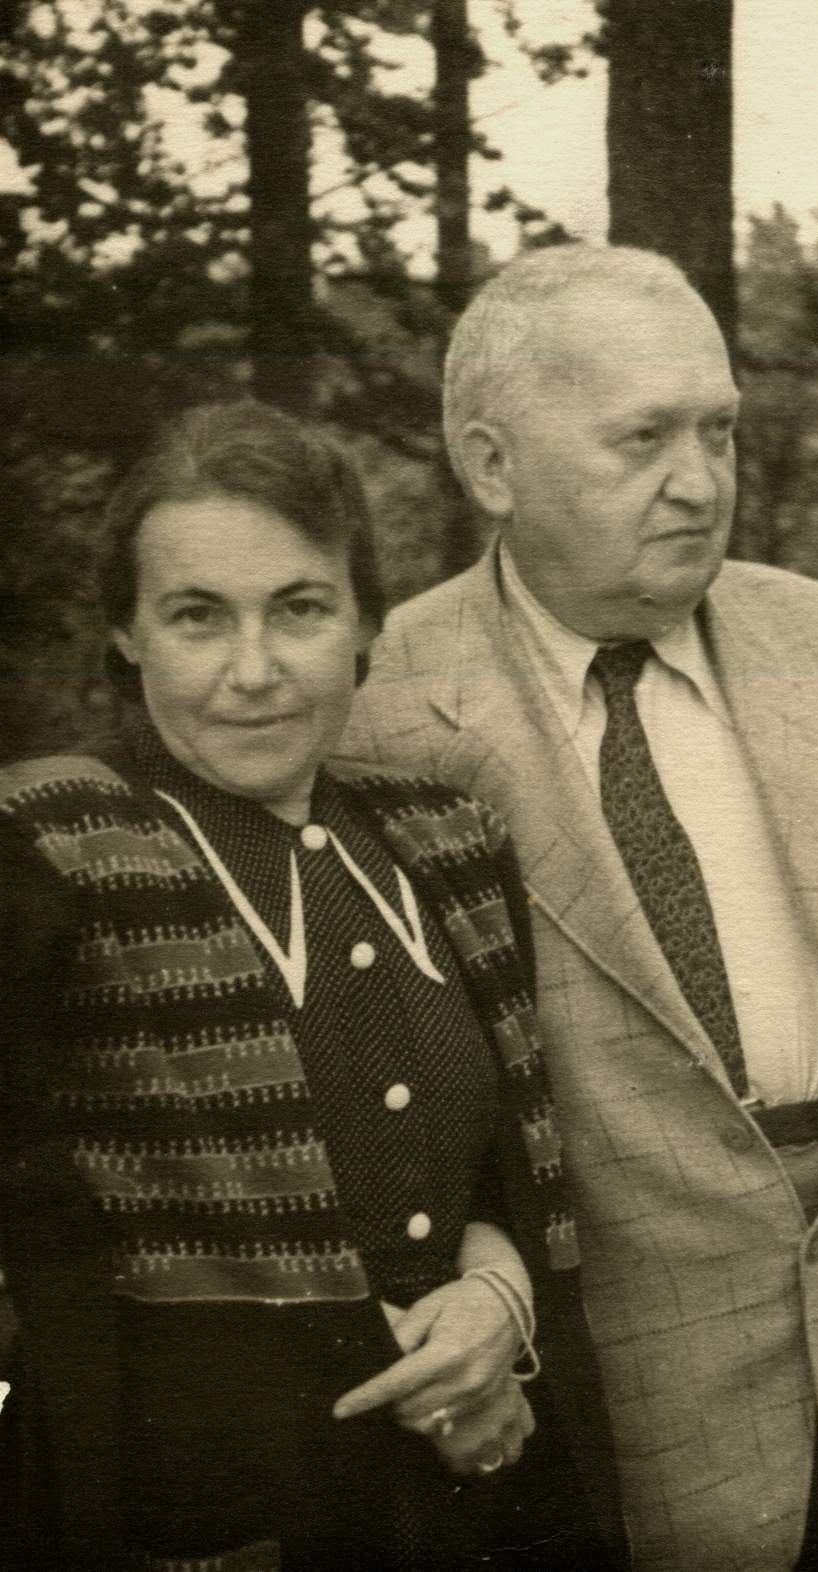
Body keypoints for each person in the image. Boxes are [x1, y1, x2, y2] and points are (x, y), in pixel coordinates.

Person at [343, 243, 818, 1572]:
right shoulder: (387, 705)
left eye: (718, 431)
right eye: (643, 438)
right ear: (491, 466)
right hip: (626, 1442)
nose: (699, 481)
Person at [0, 399, 627, 1572]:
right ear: (127, 633)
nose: (254, 671)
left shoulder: (446, 839)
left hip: (483, 1501)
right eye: (196, 616)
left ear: (365, 620)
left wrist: (498, 1301)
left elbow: (505, 1169)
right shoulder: (46, 846)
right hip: (211, 1518)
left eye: (299, 608)